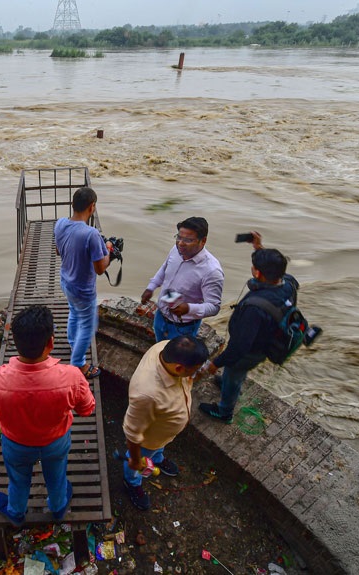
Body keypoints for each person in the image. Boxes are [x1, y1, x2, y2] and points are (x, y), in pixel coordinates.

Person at [0, 305, 96, 526]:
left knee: (18, 479)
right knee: (57, 475)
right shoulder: (72, 376)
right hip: (56, 442)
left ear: (15, 341)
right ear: (50, 342)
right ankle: (58, 507)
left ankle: (16, 511)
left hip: (15, 443)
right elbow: (87, 409)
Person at [199, 232, 298, 424]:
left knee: (233, 373)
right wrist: (258, 248)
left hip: (250, 351)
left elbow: (239, 348)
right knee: (235, 373)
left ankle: (224, 411)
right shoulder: (289, 284)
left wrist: (214, 364)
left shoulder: (254, 309)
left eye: (254, 268)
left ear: (258, 273)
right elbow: (276, 271)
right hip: (266, 343)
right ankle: (233, 382)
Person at [122, 335, 209, 510]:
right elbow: (132, 432)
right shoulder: (146, 394)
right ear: (178, 368)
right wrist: (136, 459)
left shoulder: (165, 348)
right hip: (148, 439)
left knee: (157, 447)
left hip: (161, 432)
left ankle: (158, 458)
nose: (196, 373)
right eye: (194, 370)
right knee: (138, 459)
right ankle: (131, 481)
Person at [54, 187, 112, 379]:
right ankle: (78, 363)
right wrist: (109, 251)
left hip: (66, 281)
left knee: (73, 312)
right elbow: (100, 269)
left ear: (73, 204)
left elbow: (58, 251)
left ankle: (73, 342)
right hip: (83, 289)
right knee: (88, 325)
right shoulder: (91, 234)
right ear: (92, 207)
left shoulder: (60, 224)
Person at [140, 217, 224, 342]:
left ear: (203, 241)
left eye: (188, 240)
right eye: (178, 237)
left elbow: (213, 307)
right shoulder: (176, 250)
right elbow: (164, 269)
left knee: (175, 358)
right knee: (159, 346)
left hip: (184, 327)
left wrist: (188, 308)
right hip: (161, 316)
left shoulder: (211, 271)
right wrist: (151, 287)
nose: (180, 243)